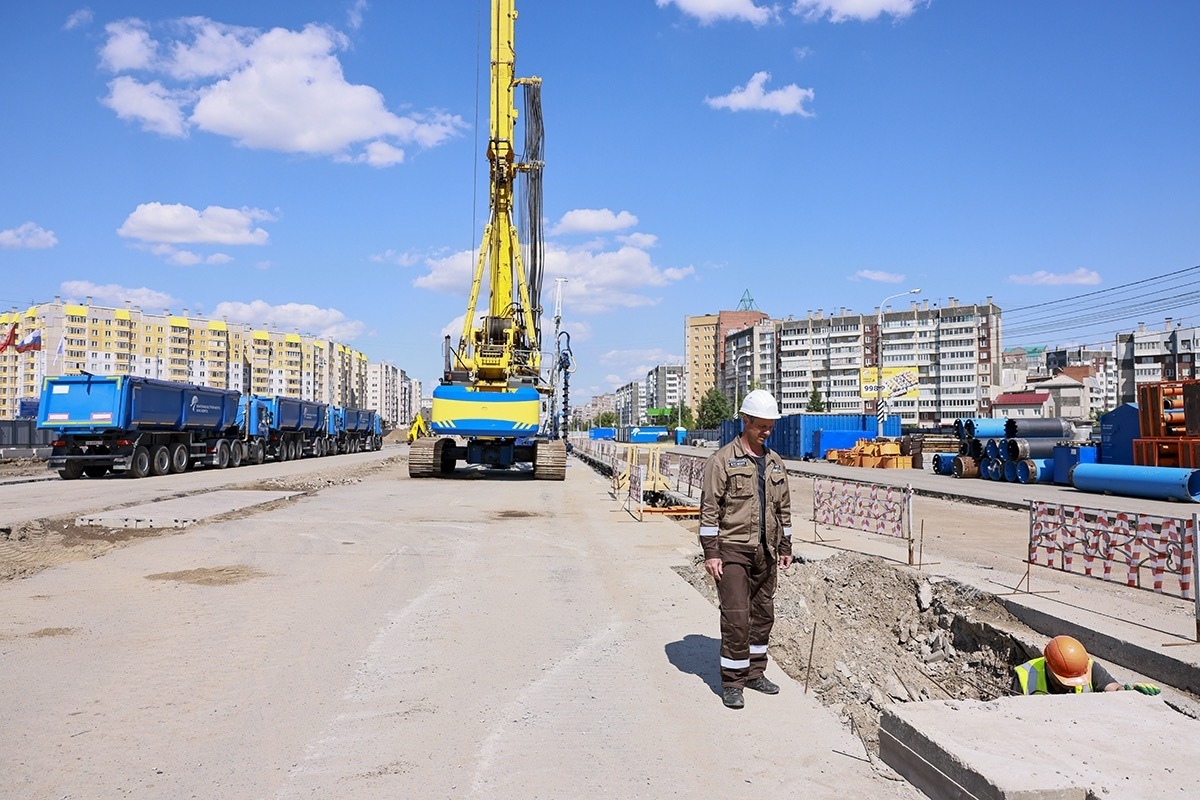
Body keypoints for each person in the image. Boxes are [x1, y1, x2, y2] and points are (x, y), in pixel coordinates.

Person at [699, 389, 793, 710]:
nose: (766, 431)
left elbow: (784, 509)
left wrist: (785, 545)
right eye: (761, 426)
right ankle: (732, 682)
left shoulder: (776, 463)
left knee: (763, 616)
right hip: (732, 551)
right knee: (737, 618)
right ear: (746, 421)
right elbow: (709, 509)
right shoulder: (722, 461)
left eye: (771, 426)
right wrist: (711, 552)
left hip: (765, 552)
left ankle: (755, 673)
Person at [1013, 635, 1161, 696]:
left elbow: (1113, 688)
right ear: (1049, 667)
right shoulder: (1025, 676)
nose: (1069, 686)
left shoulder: (1088, 668)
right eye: (1064, 681)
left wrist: (1130, 691)